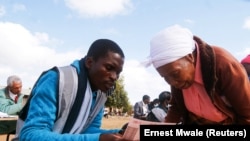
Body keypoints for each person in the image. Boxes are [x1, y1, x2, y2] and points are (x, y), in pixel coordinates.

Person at [15, 39, 130, 141]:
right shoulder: (58, 79)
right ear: (90, 62)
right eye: (109, 68)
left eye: (118, 73)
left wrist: (120, 133)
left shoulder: (100, 94)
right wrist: (98, 139)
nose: (114, 77)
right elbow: (31, 135)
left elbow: (87, 130)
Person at [143, 24, 250, 124]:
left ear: (190, 57)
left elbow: (247, 115)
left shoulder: (222, 64)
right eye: (165, 77)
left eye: (175, 74)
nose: (172, 82)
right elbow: (176, 108)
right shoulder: (177, 77)